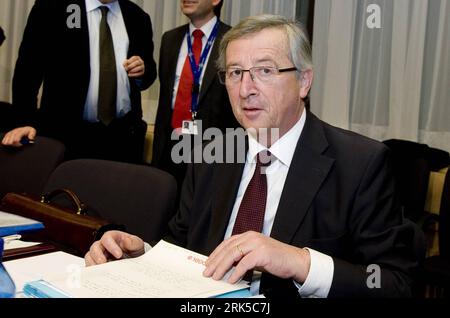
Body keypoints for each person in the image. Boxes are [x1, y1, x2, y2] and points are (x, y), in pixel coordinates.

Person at [85, 15, 423, 298]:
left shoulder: (360, 164)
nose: (246, 89)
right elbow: (182, 247)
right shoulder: (210, 154)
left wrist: (300, 262)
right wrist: (141, 255)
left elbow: (394, 282)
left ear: (304, 81)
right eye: (235, 73)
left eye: (265, 71)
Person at [1, 0, 157, 164]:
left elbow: (148, 74)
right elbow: (28, 71)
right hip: (67, 138)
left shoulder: (138, 17)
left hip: (122, 138)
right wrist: (25, 122)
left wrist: (142, 71)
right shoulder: (53, 7)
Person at [152, 0, 239, 188]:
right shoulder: (169, 40)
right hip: (170, 148)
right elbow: (165, 101)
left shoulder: (234, 41)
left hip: (212, 150)